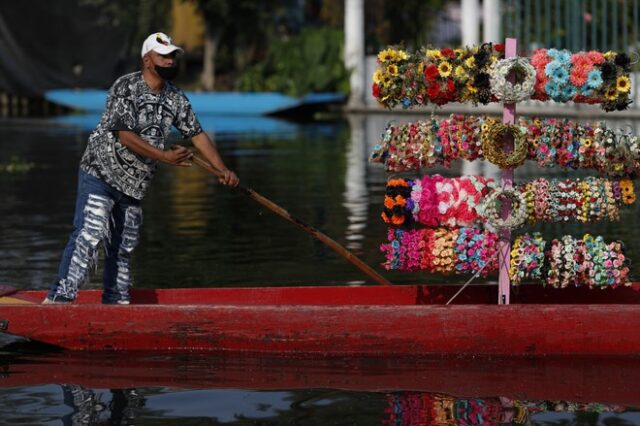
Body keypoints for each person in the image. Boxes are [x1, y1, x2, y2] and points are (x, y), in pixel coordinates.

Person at [44, 32, 239, 304]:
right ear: (147, 60)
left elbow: (197, 134)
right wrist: (164, 156)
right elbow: (124, 135)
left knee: (123, 247)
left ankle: (116, 303)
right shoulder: (126, 87)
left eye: (173, 56)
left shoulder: (176, 98)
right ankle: (59, 300)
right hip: (100, 173)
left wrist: (222, 170)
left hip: (135, 184)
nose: (170, 61)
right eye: (164, 56)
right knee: (90, 235)